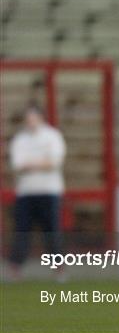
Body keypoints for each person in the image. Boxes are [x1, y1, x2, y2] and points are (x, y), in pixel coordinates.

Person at [8, 106, 66, 281]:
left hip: (49, 192)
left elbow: (55, 162)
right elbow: (17, 165)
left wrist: (30, 164)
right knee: (22, 231)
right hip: (26, 193)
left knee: (52, 232)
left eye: (33, 118)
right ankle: (16, 269)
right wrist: (42, 162)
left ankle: (59, 269)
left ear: (41, 118)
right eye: (28, 118)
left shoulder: (52, 136)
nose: (30, 121)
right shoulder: (20, 139)